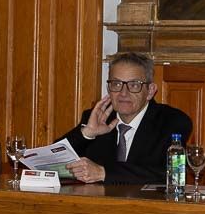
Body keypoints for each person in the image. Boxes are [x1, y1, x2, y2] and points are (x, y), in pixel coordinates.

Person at [59, 52, 192, 184]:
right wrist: (87, 133)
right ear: (109, 88)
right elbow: (51, 162)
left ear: (150, 91)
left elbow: (172, 173)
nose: (123, 93)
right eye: (116, 84)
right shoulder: (96, 118)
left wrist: (103, 172)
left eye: (134, 85)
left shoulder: (172, 121)